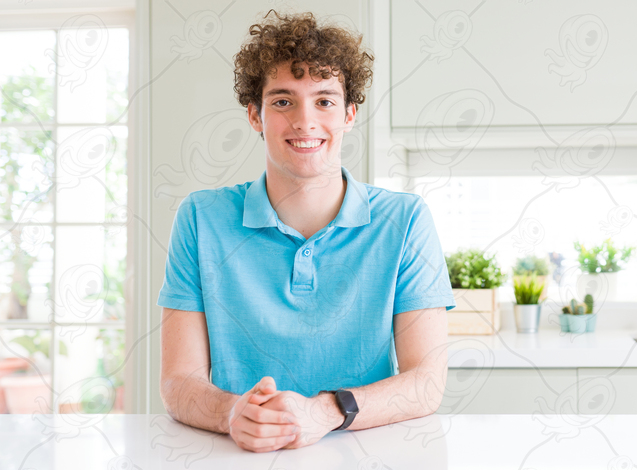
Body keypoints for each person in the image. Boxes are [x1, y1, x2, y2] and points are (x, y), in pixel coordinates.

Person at [157, 10, 456, 453]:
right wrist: (232, 413)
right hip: (235, 455)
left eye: (324, 100)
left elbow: (426, 383)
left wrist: (323, 412)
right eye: (282, 101)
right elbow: (178, 381)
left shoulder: (406, 220)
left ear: (350, 115)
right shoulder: (201, 218)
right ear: (255, 115)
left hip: (368, 453)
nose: (304, 121)